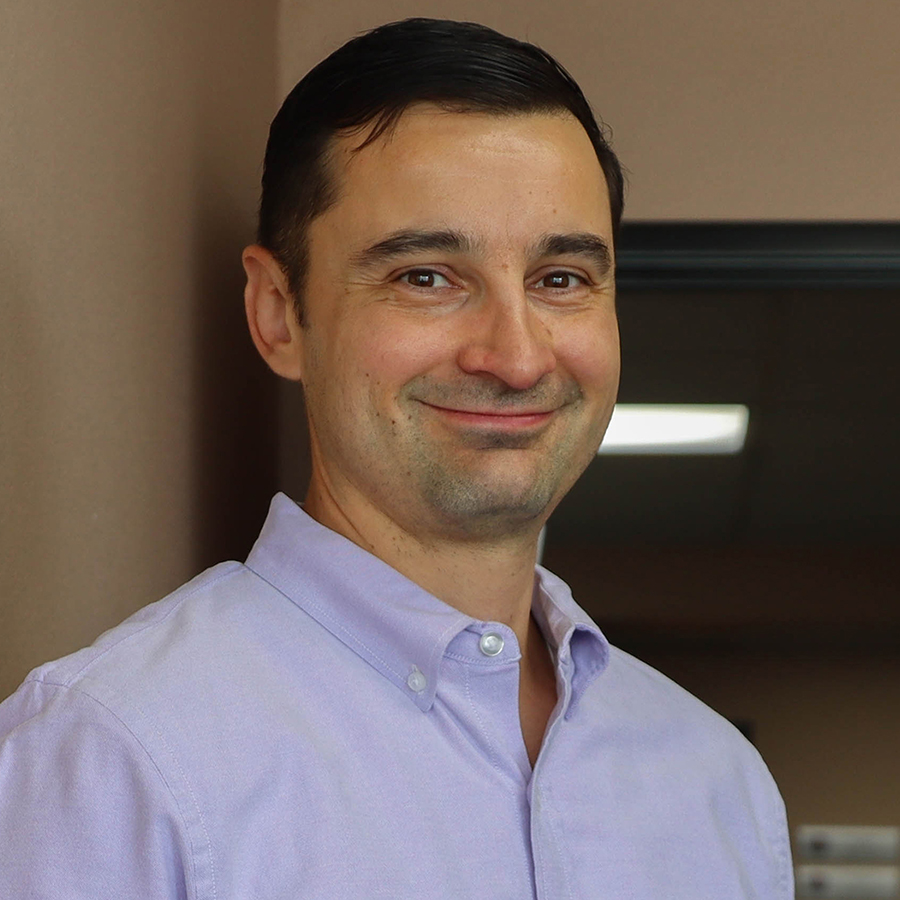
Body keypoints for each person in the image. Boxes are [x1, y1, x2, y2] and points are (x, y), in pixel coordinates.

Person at [0, 18, 793, 899]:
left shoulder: (717, 787)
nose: (518, 356)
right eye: (426, 277)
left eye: (560, 278)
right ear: (277, 313)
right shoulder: (114, 760)